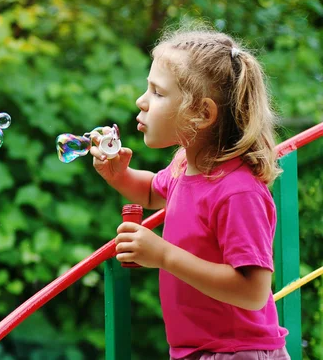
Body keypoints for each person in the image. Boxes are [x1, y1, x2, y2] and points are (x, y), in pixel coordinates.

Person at [90, 26, 290, 360]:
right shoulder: (186, 164)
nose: (141, 100)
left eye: (157, 92)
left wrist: (163, 255)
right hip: (197, 350)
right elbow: (154, 191)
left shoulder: (238, 191)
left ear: (202, 113)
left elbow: (253, 291)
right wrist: (120, 175)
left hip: (237, 353)